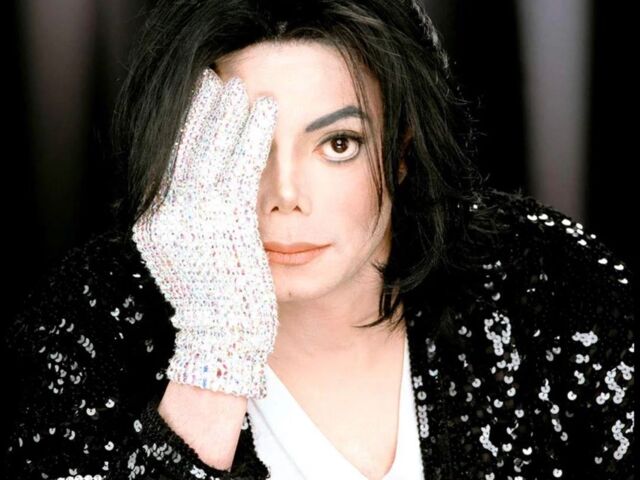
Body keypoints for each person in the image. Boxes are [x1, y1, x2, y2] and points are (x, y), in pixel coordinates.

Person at [2, 0, 635, 479]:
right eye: (243, 146)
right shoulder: (88, 322)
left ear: (403, 150)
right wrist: (214, 352)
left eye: (338, 144)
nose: (284, 194)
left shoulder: (551, 287)